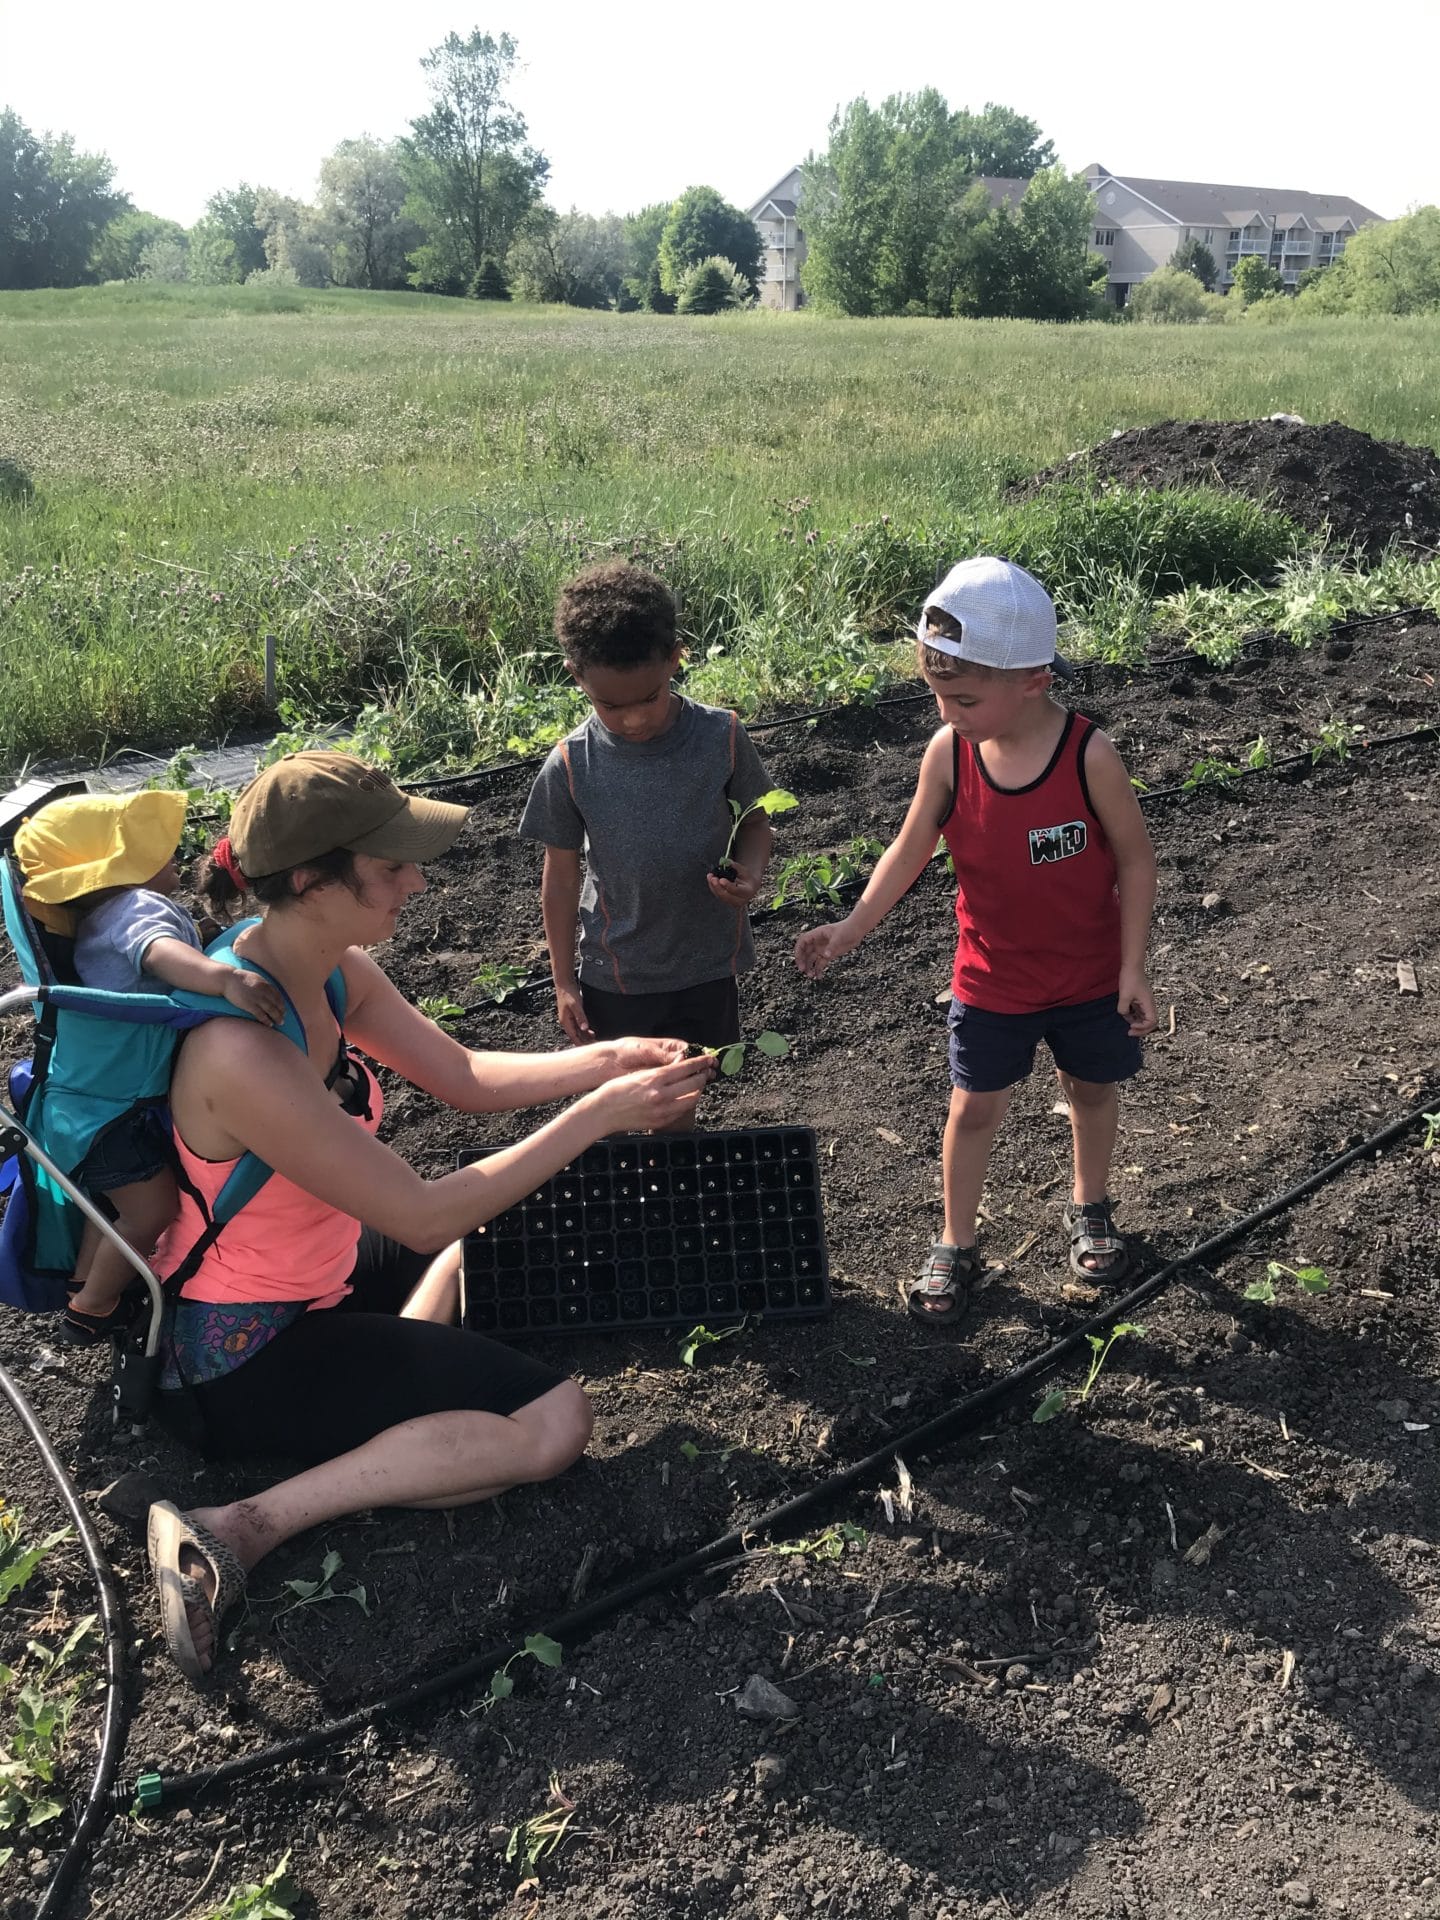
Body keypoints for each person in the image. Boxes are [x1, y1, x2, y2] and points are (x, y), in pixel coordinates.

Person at [139, 750, 714, 1681]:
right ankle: (239, 1525)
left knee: (502, 1215)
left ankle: (398, 1392)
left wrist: (606, 1061)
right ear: (311, 881)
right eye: (389, 865)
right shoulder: (238, 1052)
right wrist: (600, 1115)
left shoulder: (327, 969)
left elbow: (466, 1078)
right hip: (245, 1353)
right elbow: (417, 1214)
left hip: (321, 1274)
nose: (414, 879)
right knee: (554, 1424)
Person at [795, 557, 1158, 1321]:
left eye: (962, 696)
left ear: (1033, 679)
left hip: (1090, 977)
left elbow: (1135, 858)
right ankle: (957, 1241)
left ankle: (1089, 1204)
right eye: (936, 693)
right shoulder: (949, 754)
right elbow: (908, 849)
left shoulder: (1088, 756)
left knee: (1091, 1090)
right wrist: (851, 927)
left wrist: (1132, 968)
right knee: (973, 1107)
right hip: (991, 979)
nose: (946, 711)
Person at [13, 790, 284, 1345]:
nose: (172, 856)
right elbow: (158, 952)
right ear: (121, 867)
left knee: (111, 1205)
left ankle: (86, 1286)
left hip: (85, 1106)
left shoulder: (95, 920)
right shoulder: (137, 909)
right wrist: (225, 980)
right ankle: (94, 1307)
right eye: (154, 850)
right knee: (151, 1209)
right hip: (115, 1114)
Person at [518, 561, 776, 1076]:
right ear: (576, 676)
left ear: (676, 659)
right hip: (618, 972)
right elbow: (562, 877)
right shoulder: (570, 763)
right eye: (610, 705)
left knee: (689, 1080)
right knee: (625, 1090)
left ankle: (670, 1146)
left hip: (707, 963)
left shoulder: (720, 736)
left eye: (650, 698)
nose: (634, 719)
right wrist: (564, 981)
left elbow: (755, 821)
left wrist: (750, 873)